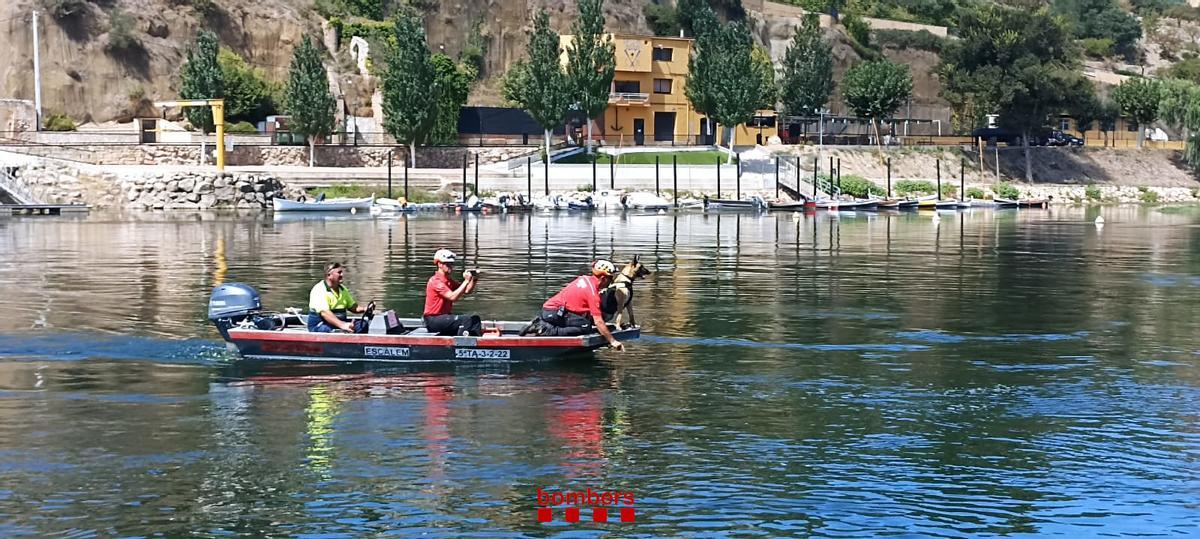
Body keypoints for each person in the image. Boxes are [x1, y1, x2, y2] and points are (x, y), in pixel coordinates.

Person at [523, 260, 624, 351]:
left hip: (550, 311)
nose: (611, 282)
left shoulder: (584, 279)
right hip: (555, 312)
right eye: (611, 278)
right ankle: (546, 330)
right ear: (603, 278)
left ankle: (543, 325)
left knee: (586, 320)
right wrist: (612, 341)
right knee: (585, 326)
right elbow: (598, 321)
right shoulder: (592, 293)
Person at [423, 249, 483, 336]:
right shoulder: (435, 281)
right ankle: (461, 345)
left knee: (475, 319)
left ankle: (478, 343)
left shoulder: (449, 281)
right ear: (439, 264)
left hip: (444, 317)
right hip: (433, 320)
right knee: (465, 320)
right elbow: (452, 297)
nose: (451, 266)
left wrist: (474, 279)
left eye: (451, 264)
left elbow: (466, 291)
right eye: (448, 264)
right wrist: (466, 281)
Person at [308, 261, 373, 333]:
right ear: (329, 275)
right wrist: (343, 325)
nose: (342, 275)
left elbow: (353, 307)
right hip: (321, 325)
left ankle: (355, 342)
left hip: (339, 324)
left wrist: (365, 309)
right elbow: (325, 313)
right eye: (339, 272)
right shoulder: (319, 290)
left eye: (342, 272)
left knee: (363, 324)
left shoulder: (343, 289)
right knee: (327, 330)